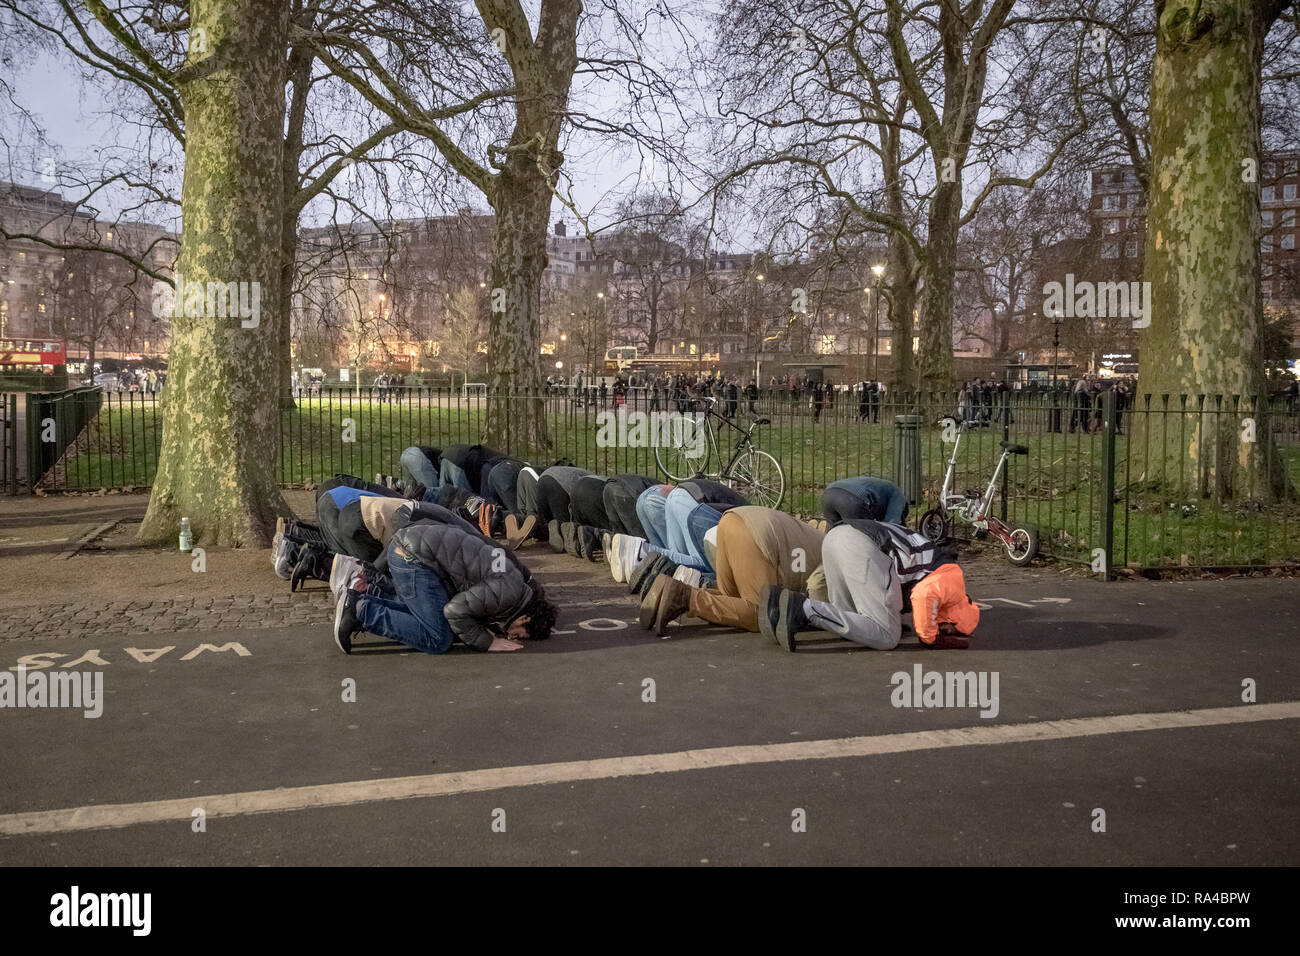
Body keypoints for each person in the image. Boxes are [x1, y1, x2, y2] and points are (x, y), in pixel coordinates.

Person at [334, 513, 559, 655]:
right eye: (520, 634)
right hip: (412, 556)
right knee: (439, 638)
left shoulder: (514, 588)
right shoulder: (507, 593)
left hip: (416, 550)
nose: (513, 637)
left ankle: (363, 600)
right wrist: (487, 642)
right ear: (525, 618)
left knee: (435, 623)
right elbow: (455, 611)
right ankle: (362, 611)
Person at [756, 518, 953, 651]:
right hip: (864, 547)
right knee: (887, 636)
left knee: (850, 622)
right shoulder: (943, 571)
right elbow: (921, 597)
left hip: (836, 536)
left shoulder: (927, 554)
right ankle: (803, 608)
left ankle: (777, 609)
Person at [637, 506, 825, 636]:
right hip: (754, 533)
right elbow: (818, 588)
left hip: (731, 520)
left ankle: (672, 592)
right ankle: (685, 597)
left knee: (732, 601)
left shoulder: (822, 540)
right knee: (761, 614)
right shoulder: (830, 557)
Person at [822, 475, 910, 526]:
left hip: (828, 494)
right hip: (851, 498)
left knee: (834, 536)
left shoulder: (883, 487)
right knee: (864, 539)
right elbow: (892, 524)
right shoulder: (898, 496)